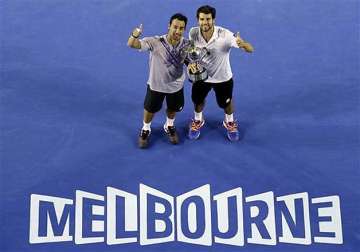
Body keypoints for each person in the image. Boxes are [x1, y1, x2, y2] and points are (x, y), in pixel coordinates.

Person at [187, 5, 254, 141]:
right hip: (202, 76)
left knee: (226, 103)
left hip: (223, 78)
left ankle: (229, 122)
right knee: (198, 101)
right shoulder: (193, 32)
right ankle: (198, 120)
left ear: (214, 20)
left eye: (208, 19)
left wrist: (243, 44)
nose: (205, 22)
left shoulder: (226, 35)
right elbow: (192, 51)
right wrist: (191, 64)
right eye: (202, 19)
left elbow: (250, 49)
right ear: (197, 20)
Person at [127, 13, 190, 148]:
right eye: (175, 27)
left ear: (184, 29)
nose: (177, 31)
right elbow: (131, 44)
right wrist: (135, 34)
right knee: (150, 109)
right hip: (156, 86)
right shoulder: (155, 41)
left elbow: (191, 62)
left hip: (176, 86)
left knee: (173, 109)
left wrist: (194, 67)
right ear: (169, 26)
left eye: (181, 28)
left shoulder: (187, 45)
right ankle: (146, 128)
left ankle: (169, 126)